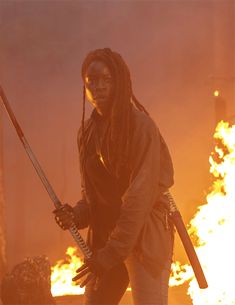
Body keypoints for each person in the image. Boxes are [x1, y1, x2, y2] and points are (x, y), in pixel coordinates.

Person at [54, 48, 174, 305]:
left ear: (119, 82)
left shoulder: (141, 127)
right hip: (106, 243)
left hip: (143, 240)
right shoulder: (86, 132)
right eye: (91, 81)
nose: (98, 87)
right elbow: (93, 197)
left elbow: (138, 200)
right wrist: (75, 215)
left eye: (105, 80)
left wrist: (109, 255)